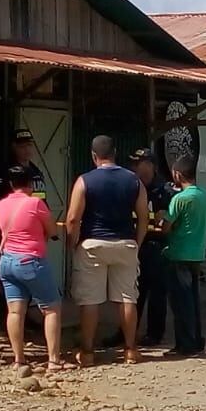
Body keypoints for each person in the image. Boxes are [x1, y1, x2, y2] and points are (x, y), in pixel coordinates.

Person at [65, 135, 149, 366]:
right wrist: (137, 242)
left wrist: (72, 243)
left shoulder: (84, 181)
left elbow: (73, 218)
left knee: (90, 300)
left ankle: (88, 352)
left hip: (93, 243)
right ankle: (130, 350)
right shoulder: (134, 181)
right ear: (115, 154)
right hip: (125, 243)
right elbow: (143, 217)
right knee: (126, 299)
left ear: (94, 156)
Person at [0, 165, 69, 371]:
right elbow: (52, 229)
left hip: (7, 261)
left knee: (15, 312)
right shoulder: (35, 203)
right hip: (31, 261)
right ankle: (53, 360)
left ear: (11, 184)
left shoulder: (2, 204)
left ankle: (19, 359)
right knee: (51, 309)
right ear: (31, 183)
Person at [108, 148, 176, 348]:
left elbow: (169, 221)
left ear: (151, 165)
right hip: (134, 245)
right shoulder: (131, 187)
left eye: (138, 164)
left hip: (157, 246)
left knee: (157, 293)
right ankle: (125, 332)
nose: (134, 168)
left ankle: (155, 334)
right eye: (133, 164)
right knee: (130, 293)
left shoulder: (165, 190)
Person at [0, 129, 48, 334]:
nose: (27, 150)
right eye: (22, 145)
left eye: (29, 145)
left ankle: (22, 320)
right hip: (9, 235)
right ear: (14, 147)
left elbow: (43, 202)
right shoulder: (5, 172)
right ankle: (3, 322)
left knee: (29, 279)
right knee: (6, 283)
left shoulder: (36, 173)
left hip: (33, 235)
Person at [161, 155, 206, 357]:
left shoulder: (179, 199)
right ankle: (196, 340)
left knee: (181, 303)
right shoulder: (203, 195)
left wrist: (162, 214)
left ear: (177, 174)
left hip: (178, 254)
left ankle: (185, 344)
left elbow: (166, 227)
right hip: (196, 254)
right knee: (193, 300)